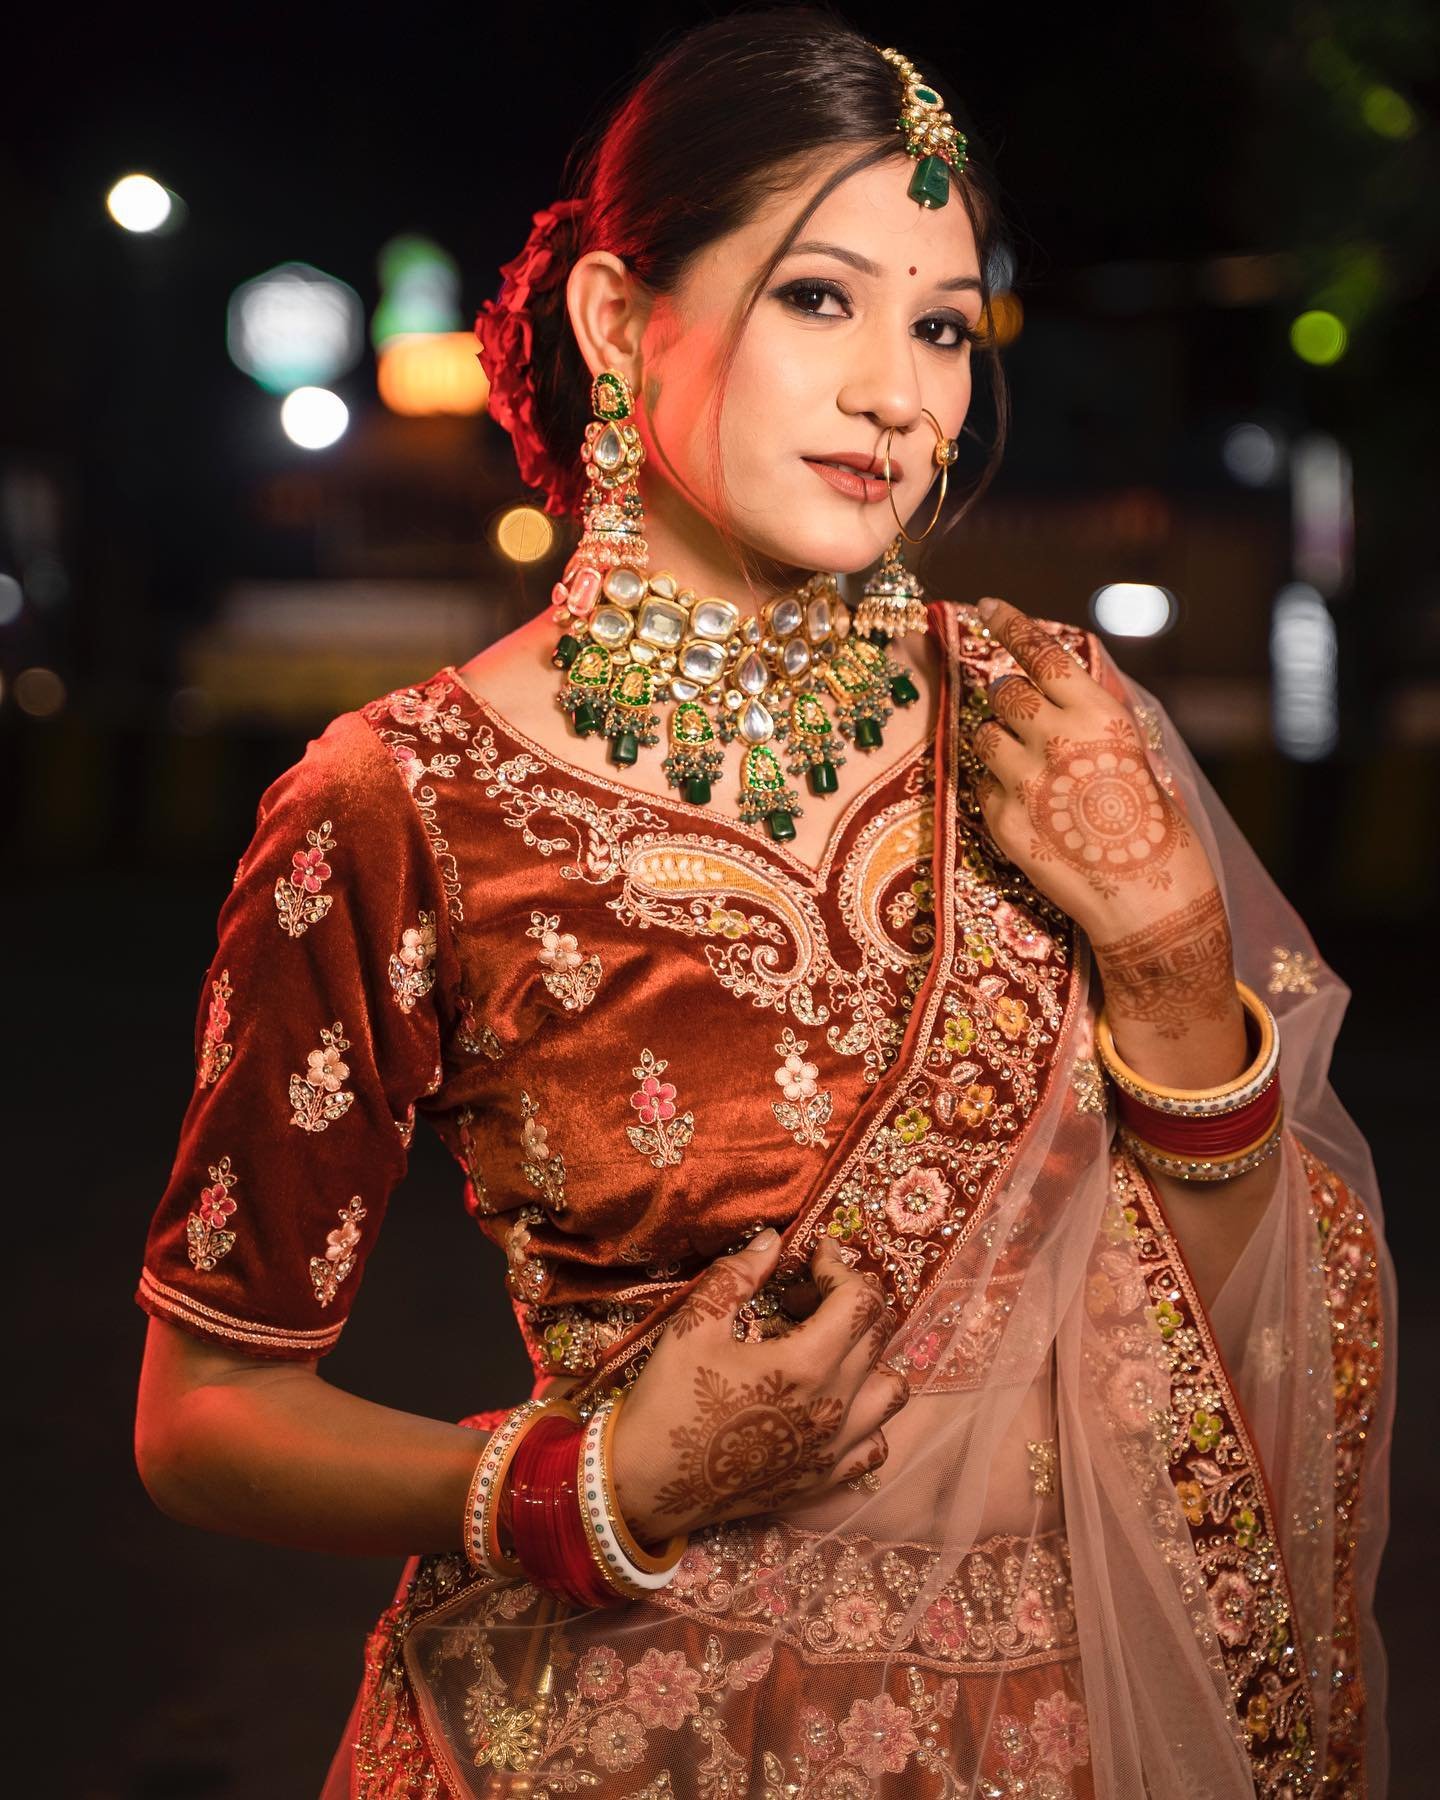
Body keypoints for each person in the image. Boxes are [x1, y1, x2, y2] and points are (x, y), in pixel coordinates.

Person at [132, 13, 1394, 1796]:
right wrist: (582, 1488)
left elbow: (1272, 1305)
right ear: (616, 319)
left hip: (1081, 1726)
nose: (902, 393)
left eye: (942, 324)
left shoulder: (1049, 718)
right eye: (820, 298)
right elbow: (204, 1415)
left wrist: (1175, 967)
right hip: (627, 1731)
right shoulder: (401, 798)